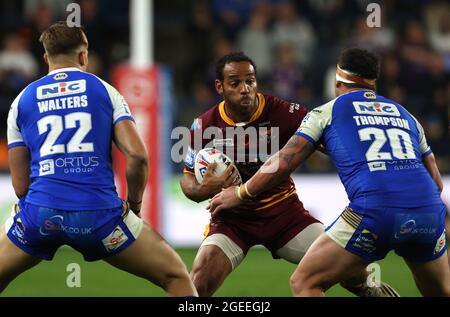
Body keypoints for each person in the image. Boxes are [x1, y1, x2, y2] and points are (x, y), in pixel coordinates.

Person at [209, 48, 450, 297]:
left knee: (304, 282)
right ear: (373, 82)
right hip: (428, 213)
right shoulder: (406, 115)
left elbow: (284, 161)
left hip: (376, 211)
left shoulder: (327, 112)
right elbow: (436, 182)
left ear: (337, 81)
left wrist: (240, 193)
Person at [180, 51, 398, 297]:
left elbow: (331, 141)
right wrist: (206, 188)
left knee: (352, 272)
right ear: (220, 86)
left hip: (285, 216)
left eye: (250, 81)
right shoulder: (203, 126)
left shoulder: (283, 112)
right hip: (232, 221)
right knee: (197, 285)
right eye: (235, 83)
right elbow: (187, 181)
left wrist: (369, 155)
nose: (245, 89)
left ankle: (375, 291)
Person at [3, 21, 197, 296]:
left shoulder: (21, 101)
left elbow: (21, 186)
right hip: (99, 217)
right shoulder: (105, 91)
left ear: (46, 57)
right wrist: (135, 205)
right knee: (176, 276)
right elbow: (138, 156)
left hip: (40, 215)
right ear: (84, 56)